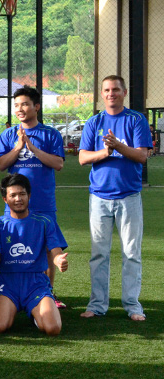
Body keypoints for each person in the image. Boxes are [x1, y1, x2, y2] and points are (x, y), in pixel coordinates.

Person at [79, 75, 152, 321]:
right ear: (102, 93)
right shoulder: (94, 121)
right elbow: (82, 158)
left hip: (129, 195)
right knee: (99, 253)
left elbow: (142, 156)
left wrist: (119, 147)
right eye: (107, 90)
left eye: (116, 90)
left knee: (131, 252)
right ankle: (98, 304)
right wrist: (105, 151)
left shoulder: (136, 119)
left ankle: (132, 306)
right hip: (99, 196)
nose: (111, 93)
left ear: (125, 92)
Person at [0, 86, 68, 309]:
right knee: (14, 245)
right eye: (16, 105)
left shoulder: (50, 134)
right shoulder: (8, 135)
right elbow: (1, 165)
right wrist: (18, 146)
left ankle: (48, 292)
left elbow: (58, 163)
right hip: (15, 204)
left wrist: (32, 147)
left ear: (36, 106)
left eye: (25, 104)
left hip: (43, 202)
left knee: (47, 248)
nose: (20, 109)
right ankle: (13, 292)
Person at [0, 174, 68, 336]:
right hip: (8, 283)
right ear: (5, 200)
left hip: (37, 283)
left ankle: (36, 316)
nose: (18, 199)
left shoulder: (45, 221)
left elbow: (55, 250)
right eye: (12, 195)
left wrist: (59, 260)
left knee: (53, 328)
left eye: (22, 194)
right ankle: (0, 313)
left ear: (29, 195)